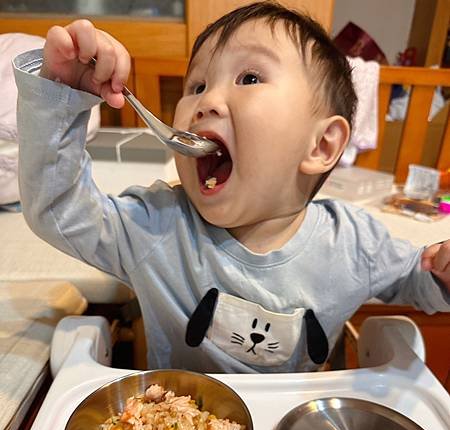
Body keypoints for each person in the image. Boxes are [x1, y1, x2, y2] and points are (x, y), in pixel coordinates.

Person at [13, 1, 450, 374]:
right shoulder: (157, 227)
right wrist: (61, 97)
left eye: (249, 78)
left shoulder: (353, 244)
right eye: (197, 85)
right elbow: (60, 208)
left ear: (320, 144)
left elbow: (419, 278)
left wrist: (444, 273)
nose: (206, 101)